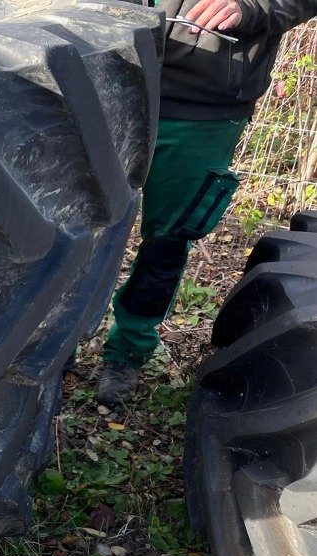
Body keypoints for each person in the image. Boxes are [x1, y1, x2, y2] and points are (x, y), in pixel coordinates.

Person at [97, 0, 317, 406]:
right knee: (84, 229)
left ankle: (126, 351)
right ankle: (58, 344)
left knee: (167, 238)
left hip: (203, 107)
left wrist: (250, 8)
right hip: (105, 80)